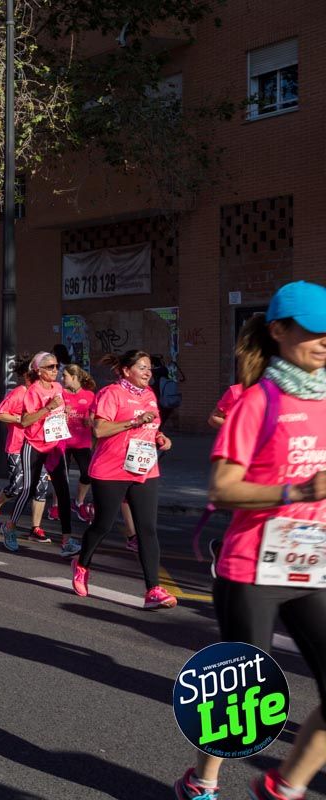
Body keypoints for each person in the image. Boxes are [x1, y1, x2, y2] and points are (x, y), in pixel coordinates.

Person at [173, 280, 326, 800]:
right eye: (313, 329)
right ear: (280, 331)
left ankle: (286, 788)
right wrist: (299, 488)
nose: (325, 339)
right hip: (253, 567)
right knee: (241, 693)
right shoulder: (257, 402)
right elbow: (221, 488)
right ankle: (201, 783)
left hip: (312, 566)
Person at [70, 350, 176, 607]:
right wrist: (134, 421)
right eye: (142, 367)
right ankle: (82, 564)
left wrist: (160, 438)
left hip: (144, 469)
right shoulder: (111, 393)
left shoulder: (150, 395)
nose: (148, 372)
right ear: (127, 370)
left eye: (149, 368)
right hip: (111, 469)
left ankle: (153, 590)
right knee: (103, 525)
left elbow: (152, 428)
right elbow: (100, 428)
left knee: (147, 530)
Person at [1, 351, 77, 554]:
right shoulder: (32, 391)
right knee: (28, 489)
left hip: (54, 445)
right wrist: (47, 408)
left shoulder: (58, 387)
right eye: (50, 367)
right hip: (34, 446)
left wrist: (64, 411)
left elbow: (57, 409)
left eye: (56, 366)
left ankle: (67, 540)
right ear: (38, 370)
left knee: (63, 491)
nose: (55, 370)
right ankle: (9, 527)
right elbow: (25, 421)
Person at [0, 355, 53, 533]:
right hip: (17, 446)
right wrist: (19, 418)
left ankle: (36, 527)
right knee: (17, 487)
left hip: (39, 445)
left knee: (41, 487)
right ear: (28, 376)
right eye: (34, 377)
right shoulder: (20, 393)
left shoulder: (46, 393)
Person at [60, 364, 97, 522]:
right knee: (61, 476)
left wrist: (90, 421)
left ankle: (78, 501)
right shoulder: (60, 394)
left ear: (74, 377)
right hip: (63, 441)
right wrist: (62, 413)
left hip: (82, 442)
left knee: (87, 473)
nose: (62, 379)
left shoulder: (89, 395)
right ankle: (58, 505)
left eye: (65, 376)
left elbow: (93, 419)